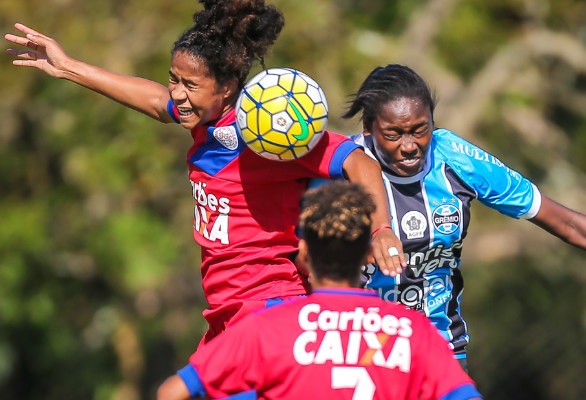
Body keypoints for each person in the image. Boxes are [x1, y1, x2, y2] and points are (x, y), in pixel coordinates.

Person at [4, 0, 405, 350]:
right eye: (173, 78)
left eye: (190, 84)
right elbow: (155, 101)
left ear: (227, 87)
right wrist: (68, 66)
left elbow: (358, 160)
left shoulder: (267, 132)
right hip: (225, 311)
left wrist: (381, 228)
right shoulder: (203, 119)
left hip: (269, 304)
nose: (177, 92)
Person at [332, 63, 586, 370]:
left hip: (439, 348)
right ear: (369, 128)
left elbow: (567, 223)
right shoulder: (335, 169)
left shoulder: (455, 159)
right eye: (394, 134)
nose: (409, 146)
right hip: (358, 346)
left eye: (420, 130)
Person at [156, 181, 482, 400]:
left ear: (305, 254)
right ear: (368, 255)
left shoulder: (266, 328)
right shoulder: (413, 330)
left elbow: (173, 391)